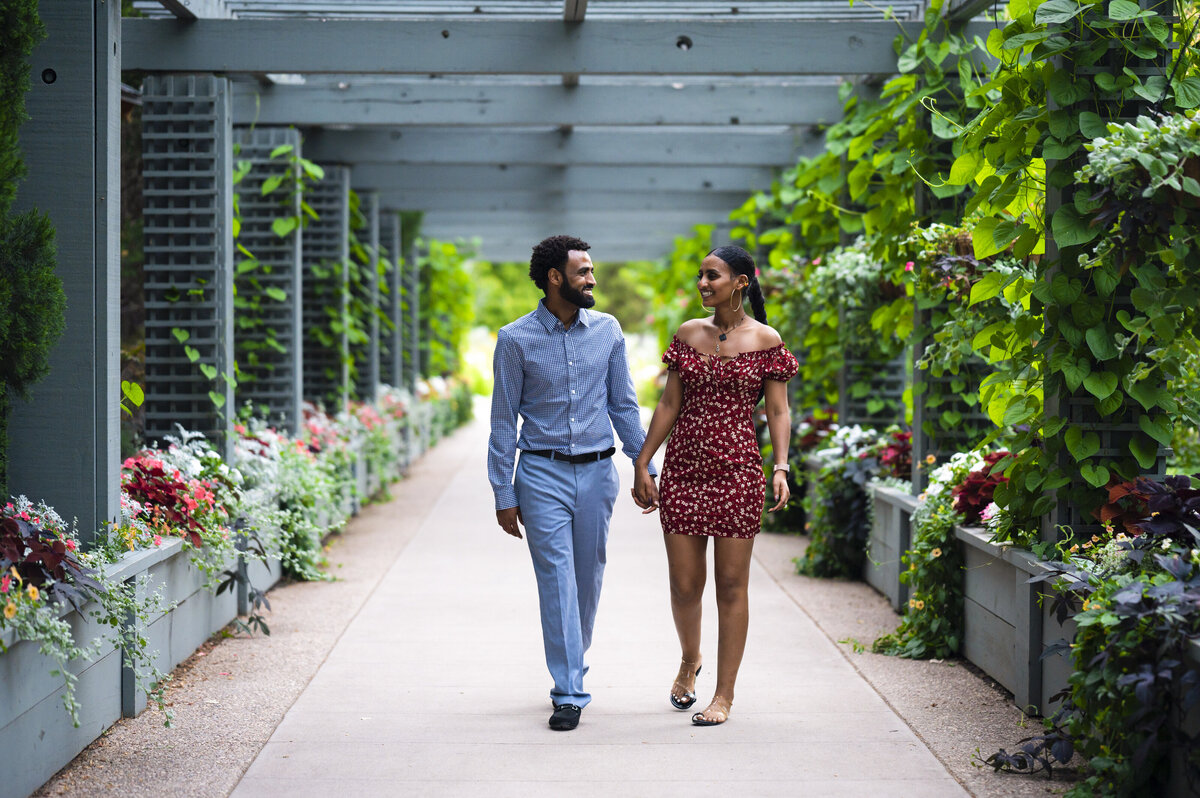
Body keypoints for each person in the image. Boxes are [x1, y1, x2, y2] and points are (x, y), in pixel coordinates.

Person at [488, 234, 656, 732]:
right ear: (555, 277)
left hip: (599, 471)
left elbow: (623, 405)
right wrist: (504, 492)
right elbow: (502, 421)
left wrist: (641, 464)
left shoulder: (607, 330)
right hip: (541, 473)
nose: (593, 279)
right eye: (583, 271)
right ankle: (569, 691)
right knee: (557, 581)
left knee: (588, 577)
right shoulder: (515, 338)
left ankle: (570, 663)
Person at [631, 245, 797, 727]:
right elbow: (668, 404)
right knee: (685, 586)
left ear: (742, 282)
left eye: (714, 276)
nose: (704, 283)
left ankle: (723, 695)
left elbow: (779, 410)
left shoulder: (766, 340)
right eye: (701, 276)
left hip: (738, 471)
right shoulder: (688, 334)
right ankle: (690, 659)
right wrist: (645, 462)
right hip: (684, 470)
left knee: (731, 584)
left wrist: (781, 466)